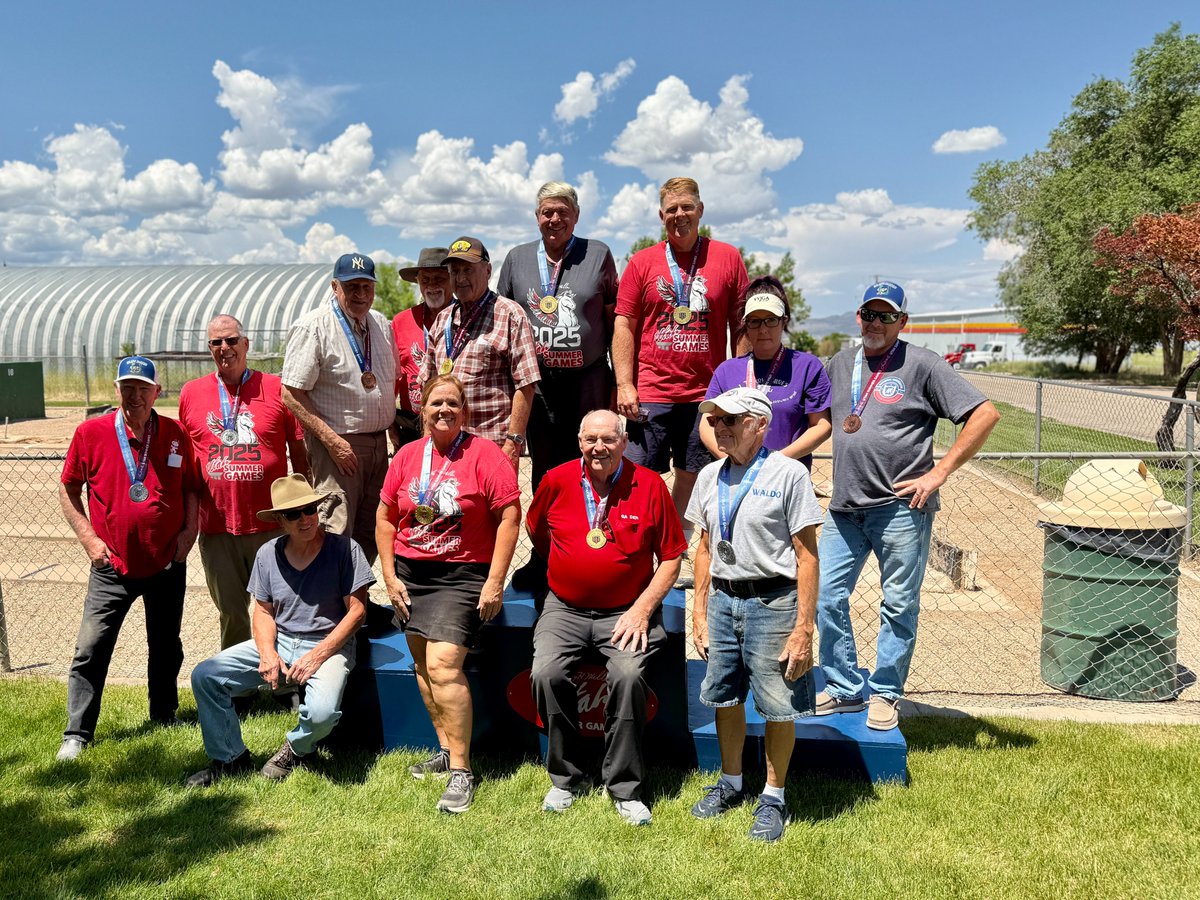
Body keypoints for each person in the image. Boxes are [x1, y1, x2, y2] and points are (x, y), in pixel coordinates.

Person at [816, 282, 1000, 731]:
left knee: (898, 604)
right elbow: (819, 419)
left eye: (886, 316)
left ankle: (885, 693)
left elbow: (985, 414)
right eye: (868, 314)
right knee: (825, 596)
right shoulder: (840, 364)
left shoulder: (924, 365)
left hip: (900, 507)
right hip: (845, 508)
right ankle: (842, 688)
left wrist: (939, 472)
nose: (875, 324)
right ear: (857, 317)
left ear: (902, 322)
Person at [526, 409, 687, 826]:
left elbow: (671, 558)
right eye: (591, 439)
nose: (599, 448)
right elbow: (537, 531)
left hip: (628, 611)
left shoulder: (650, 485)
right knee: (544, 673)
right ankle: (567, 778)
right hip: (565, 607)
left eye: (609, 440)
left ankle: (625, 788)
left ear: (624, 440)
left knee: (628, 677)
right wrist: (570, 570)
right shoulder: (557, 480)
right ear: (580, 442)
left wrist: (641, 609)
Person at [375, 374, 521, 813]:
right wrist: (389, 574)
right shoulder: (405, 456)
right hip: (409, 573)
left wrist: (495, 580)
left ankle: (462, 771)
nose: (444, 410)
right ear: (422, 410)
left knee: (442, 665)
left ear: (466, 412)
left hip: (461, 575)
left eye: (453, 404)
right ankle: (443, 749)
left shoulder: (486, 455)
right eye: (436, 403)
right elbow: (385, 518)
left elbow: (511, 516)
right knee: (421, 663)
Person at [686, 387, 822, 843]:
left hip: (773, 603)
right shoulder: (708, 477)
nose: (719, 428)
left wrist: (804, 627)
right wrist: (699, 611)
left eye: (730, 421)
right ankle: (731, 783)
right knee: (725, 697)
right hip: (724, 601)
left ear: (759, 424)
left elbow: (807, 557)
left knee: (777, 705)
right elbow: (704, 548)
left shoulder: (788, 475)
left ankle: (774, 797)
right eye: (716, 421)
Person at [55, 356, 200, 761]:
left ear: (157, 393)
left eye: (143, 389)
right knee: (92, 646)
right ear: (116, 390)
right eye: (127, 388)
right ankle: (77, 733)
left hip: (167, 562)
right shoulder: (91, 433)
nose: (135, 396)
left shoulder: (174, 434)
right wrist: (90, 541)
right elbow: (68, 489)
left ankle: (164, 715)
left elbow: (192, 488)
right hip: (110, 566)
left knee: (166, 645)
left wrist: (188, 534)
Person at [186, 474, 372, 786]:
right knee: (206, 676)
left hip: (329, 646)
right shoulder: (267, 554)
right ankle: (230, 758)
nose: (305, 519)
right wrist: (268, 653)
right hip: (282, 641)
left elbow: (357, 611)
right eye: (293, 514)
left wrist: (317, 656)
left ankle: (294, 747)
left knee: (322, 714)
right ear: (279, 522)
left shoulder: (344, 550)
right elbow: (262, 611)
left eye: (310, 509)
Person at [613, 177, 749, 585]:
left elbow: (738, 323)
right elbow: (625, 325)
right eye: (671, 209)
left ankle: (677, 550)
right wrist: (625, 383)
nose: (679, 215)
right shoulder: (642, 262)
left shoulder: (727, 257)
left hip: (706, 394)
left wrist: (738, 385)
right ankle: (637, 549)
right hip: (652, 391)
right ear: (661, 216)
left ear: (700, 210)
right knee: (638, 475)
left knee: (693, 473)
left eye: (686, 207)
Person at [178, 314, 309, 649]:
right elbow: (187, 461)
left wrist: (304, 511)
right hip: (218, 527)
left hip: (271, 523)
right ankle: (239, 690)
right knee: (232, 612)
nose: (225, 348)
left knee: (282, 607)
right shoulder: (192, 393)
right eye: (217, 342)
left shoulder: (275, 388)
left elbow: (299, 453)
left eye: (232, 340)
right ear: (209, 348)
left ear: (246, 344)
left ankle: (283, 684)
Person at [497, 181, 619, 491]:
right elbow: (502, 318)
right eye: (547, 212)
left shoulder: (598, 253)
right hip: (538, 388)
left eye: (563, 212)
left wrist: (620, 382)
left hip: (588, 381)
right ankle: (545, 536)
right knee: (545, 469)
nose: (555, 219)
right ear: (536, 216)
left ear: (576, 215)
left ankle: (591, 530)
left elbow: (614, 318)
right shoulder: (516, 258)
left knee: (593, 459)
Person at [281, 252, 398, 564]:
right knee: (336, 529)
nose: (360, 295)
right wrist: (331, 441)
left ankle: (355, 599)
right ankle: (329, 607)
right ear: (335, 286)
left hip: (377, 444)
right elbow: (290, 392)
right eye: (352, 287)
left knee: (370, 528)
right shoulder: (313, 327)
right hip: (338, 448)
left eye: (366, 287)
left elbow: (388, 385)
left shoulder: (381, 326)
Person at [420, 237, 540, 470]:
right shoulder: (443, 319)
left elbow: (526, 385)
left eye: (468, 270)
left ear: (487, 270)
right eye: (455, 271)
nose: (461, 278)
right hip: (445, 447)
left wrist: (513, 443)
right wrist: (427, 441)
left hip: (492, 446)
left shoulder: (509, 314)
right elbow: (429, 386)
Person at [700, 276, 832, 469]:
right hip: (735, 475)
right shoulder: (727, 370)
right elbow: (705, 423)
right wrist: (732, 461)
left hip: (786, 474)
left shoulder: (807, 367)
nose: (763, 329)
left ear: (783, 321)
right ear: (745, 324)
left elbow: (822, 425)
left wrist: (775, 463)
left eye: (771, 320)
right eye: (754, 321)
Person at [392, 247, 451, 448]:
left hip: (452, 422)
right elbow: (392, 376)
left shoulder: (465, 317)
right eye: (425, 279)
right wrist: (391, 424)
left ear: (452, 279)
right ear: (418, 282)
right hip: (411, 424)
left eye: (439, 278)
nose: (432, 285)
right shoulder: (401, 321)